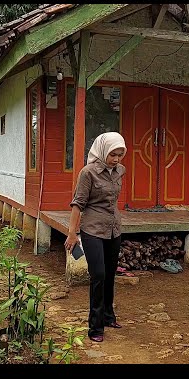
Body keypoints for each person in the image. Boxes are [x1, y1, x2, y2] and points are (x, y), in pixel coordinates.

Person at [65, 131, 126, 342]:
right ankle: (95, 326)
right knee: (98, 275)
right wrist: (72, 234)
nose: (116, 159)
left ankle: (109, 316)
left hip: (113, 229)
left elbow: (112, 200)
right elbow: (77, 204)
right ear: (102, 152)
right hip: (92, 230)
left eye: (120, 154)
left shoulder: (120, 171)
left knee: (110, 275)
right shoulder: (88, 173)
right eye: (112, 155)